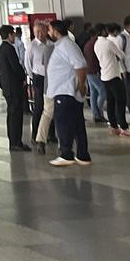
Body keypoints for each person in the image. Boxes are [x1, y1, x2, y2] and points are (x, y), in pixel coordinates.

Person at [45, 19, 89, 167]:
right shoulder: (61, 45)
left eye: (49, 30)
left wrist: (81, 85)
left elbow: (80, 66)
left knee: (63, 123)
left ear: (56, 31)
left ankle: (66, 154)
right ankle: (82, 155)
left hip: (66, 91)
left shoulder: (67, 45)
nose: (48, 32)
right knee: (76, 124)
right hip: (65, 91)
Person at [96, 23, 130, 136]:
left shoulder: (97, 43)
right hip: (114, 75)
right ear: (103, 31)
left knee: (111, 102)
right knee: (120, 101)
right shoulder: (108, 43)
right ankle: (124, 127)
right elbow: (121, 55)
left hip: (105, 75)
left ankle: (113, 126)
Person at [0, 25, 29, 152]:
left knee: (11, 114)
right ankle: (16, 142)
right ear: (9, 35)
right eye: (13, 34)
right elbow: (16, 67)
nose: (14, 36)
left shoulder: (0, 49)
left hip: (7, 86)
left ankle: (13, 141)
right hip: (14, 86)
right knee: (16, 115)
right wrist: (23, 77)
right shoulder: (9, 49)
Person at [26, 21, 53, 154]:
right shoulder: (32, 46)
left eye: (42, 31)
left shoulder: (51, 44)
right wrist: (33, 77)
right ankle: (35, 135)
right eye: (37, 32)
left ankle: (51, 134)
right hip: (38, 78)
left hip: (50, 78)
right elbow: (28, 63)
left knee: (50, 107)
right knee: (39, 107)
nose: (40, 34)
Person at [82, 26, 105, 124]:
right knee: (103, 92)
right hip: (95, 71)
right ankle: (98, 112)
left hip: (88, 70)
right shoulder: (97, 43)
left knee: (93, 93)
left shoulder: (87, 44)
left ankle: (95, 114)